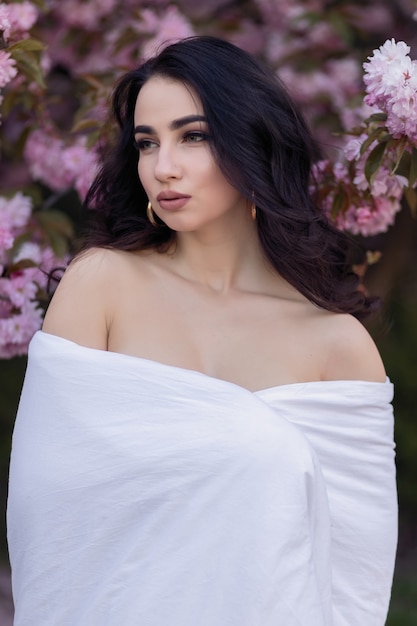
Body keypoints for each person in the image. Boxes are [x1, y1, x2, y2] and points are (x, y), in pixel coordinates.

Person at [7, 36, 397, 626]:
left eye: (193, 135)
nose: (163, 167)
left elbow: (353, 590)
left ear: (252, 141)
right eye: (147, 143)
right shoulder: (102, 287)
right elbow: (50, 529)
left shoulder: (337, 347)